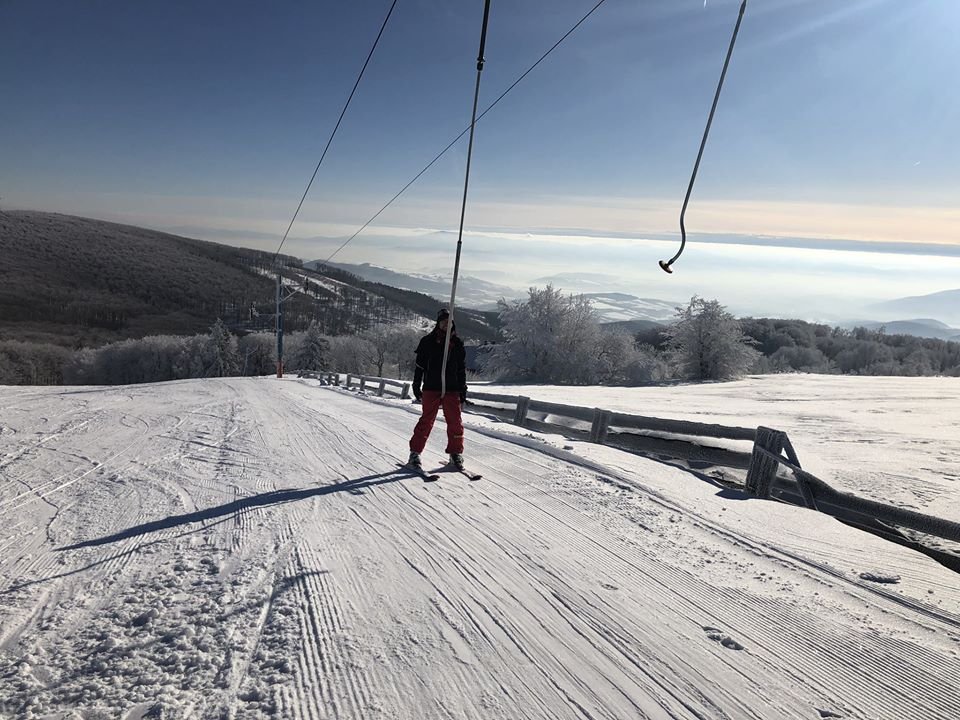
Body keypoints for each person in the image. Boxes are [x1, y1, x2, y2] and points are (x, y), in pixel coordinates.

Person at [408, 308, 467, 469]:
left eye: (449, 322)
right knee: (427, 420)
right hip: (431, 387)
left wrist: (463, 390)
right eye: (443, 322)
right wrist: (416, 385)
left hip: (452, 388)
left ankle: (455, 454)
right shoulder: (427, 342)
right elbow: (419, 367)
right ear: (438, 323)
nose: (446, 325)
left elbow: (461, 369)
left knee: (455, 422)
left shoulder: (457, 344)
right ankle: (415, 453)